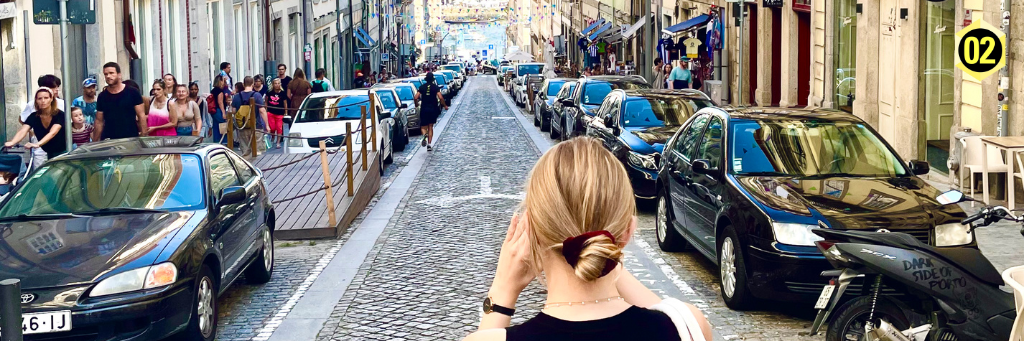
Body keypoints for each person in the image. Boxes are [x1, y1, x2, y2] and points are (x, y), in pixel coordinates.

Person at [462, 138, 713, 341]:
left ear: (533, 233)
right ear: (628, 230)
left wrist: (502, 291)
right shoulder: (689, 327)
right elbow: (672, 316)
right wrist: (602, 247)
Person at [7, 89, 67, 162]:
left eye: (46, 98)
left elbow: (53, 132)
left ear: (51, 99)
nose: (43, 101)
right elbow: (23, 130)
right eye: (39, 98)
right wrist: (13, 142)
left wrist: (38, 144)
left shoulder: (60, 114)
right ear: (36, 101)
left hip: (65, 151)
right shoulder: (34, 116)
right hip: (50, 151)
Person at [95, 62, 146, 140]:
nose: (108, 76)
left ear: (119, 74)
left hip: (130, 138)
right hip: (109, 139)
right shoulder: (102, 96)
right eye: (106, 74)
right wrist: (95, 142)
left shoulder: (133, 92)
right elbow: (99, 121)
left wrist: (144, 136)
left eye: (111, 73)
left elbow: (141, 116)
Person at [231, 76, 269, 155]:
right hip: (256, 126)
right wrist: (267, 125)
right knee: (257, 151)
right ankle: (256, 166)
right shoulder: (257, 95)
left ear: (244, 84)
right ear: (253, 84)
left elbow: (233, 111)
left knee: (245, 152)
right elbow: (262, 111)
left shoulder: (237, 96)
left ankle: (247, 166)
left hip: (242, 127)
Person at [414, 72, 447, 152]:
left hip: (424, 109)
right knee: (430, 126)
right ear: (432, 79)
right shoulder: (435, 87)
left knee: (423, 127)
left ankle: (425, 135)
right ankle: (429, 144)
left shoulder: (422, 87)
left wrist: (416, 104)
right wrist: (444, 105)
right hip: (433, 109)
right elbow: (441, 97)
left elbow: (416, 97)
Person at [265, 78, 288, 148]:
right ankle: (272, 138)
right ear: (273, 84)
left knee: (279, 128)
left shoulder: (283, 93)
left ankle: (278, 142)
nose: (277, 85)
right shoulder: (269, 92)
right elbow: (266, 101)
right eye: (275, 83)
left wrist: (285, 112)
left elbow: (285, 103)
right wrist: (266, 110)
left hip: (280, 113)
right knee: (272, 127)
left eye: (278, 83)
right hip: (271, 112)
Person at [210, 76, 228, 143]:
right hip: (218, 110)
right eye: (223, 81)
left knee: (216, 126)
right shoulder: (220, 91)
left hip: (214, 110)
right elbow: (220, 102)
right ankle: (224, 141)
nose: (224, 83)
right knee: (223, 125)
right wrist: (223, 112)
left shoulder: (213, 90)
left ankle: (216, 141)